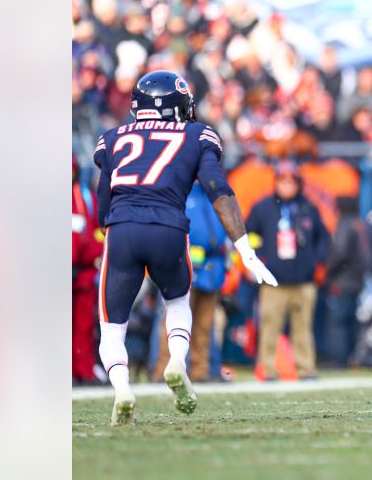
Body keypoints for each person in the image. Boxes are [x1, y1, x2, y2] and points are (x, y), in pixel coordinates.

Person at [92, 71, 278, 425]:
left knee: (113, 327)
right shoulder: (196, 134)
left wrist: (113, 236)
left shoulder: (113, 137)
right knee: (177, 302)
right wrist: (246, 250)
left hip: (122, 229)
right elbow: (216, 187)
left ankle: (121, 389)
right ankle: (178, 361)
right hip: (169, 229)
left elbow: (103, 201)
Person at [246, 162, 330, 381]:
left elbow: (323, 238)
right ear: (276, 182)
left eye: (292, 181)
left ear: (298, 183)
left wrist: (316, 262)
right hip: (273, 281)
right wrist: (256, 260)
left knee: (303, 329)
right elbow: (248, 236)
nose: (287, 185)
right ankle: (267, 368)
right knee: (269, 327)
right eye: (283, 180)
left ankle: (306, 368)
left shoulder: (309, 208)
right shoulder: (262, 207)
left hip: (303, 281)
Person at [153, 183, 230, 383]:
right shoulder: (179, 193)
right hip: (184, 265)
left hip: (212, 269)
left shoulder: (214, 195)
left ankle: (200, 370)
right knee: (174, 322)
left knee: (204, 326)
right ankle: (164, 370)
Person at [324, 195, 370, 368]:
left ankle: (338, 359)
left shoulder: (344, 224)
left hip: (341, 281)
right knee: (352, 322)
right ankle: (354, 357)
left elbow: (339, 253)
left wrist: (329, 272)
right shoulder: (359, 224)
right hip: (357, 281)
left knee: (337, 322)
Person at [73, 156, 103, 384]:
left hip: (83, 272)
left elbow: (94, 231)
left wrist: (95, 253)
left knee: (84, 326)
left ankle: (82, 370)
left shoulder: (85, 197)